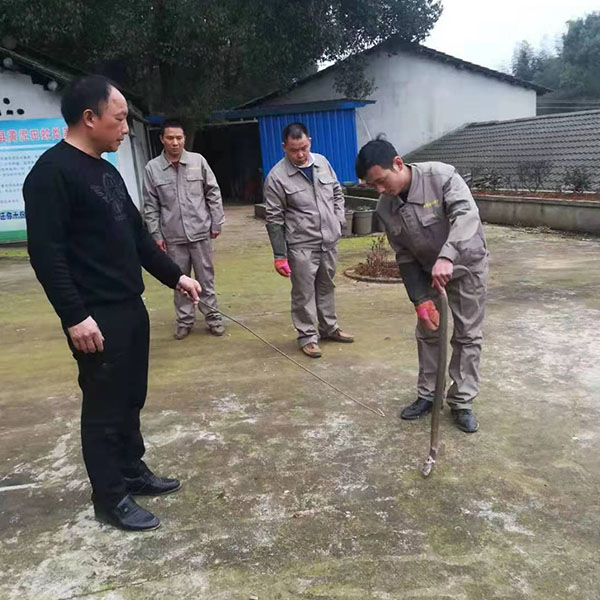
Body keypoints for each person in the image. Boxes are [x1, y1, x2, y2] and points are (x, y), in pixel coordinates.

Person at [23, 75, 202, 531]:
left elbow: (137, 238)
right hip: (94, 317)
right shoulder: (50, 174)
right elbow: (47, 255)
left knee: (130, 398)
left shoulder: (106, 169)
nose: (126, 128)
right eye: (120, 119)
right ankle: (110, 497)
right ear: (90, 118)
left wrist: (176, 276)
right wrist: (74, 316)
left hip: (129, 307)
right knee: (103, 409)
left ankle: (131, 470)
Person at [355, 138, 488, 433]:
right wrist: (419, 298)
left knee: (467, 334)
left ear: (398, 164)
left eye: (381, 180)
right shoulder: (386, 206)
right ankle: (429, 395)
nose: (379, 189)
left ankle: (462, 401)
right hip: (427, 271)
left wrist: (447, 255)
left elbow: (466, 217)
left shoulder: (441, 177)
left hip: (465, 264)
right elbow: (403, 255)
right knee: (428, 330)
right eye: (372, 185)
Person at [264, 122, 354, 358]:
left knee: (327, 286)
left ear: (310, 142)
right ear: (284, 147)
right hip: (301, 244)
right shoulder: (277, 177)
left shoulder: (322, 162)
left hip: (329, 239)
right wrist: (279, 255)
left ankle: (329, 328)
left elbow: (337, 192)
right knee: (304, 293)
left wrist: (338, 220)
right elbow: (274, 219)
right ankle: (307, 336)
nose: (300, 154)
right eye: (294, 150)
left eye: (304, 147)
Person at [143, 119, 225, 340]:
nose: (175, 142)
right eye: (170, 138)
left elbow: (213, 193)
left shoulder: (198, 161)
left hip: (200, 232)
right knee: (178, 280)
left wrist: (216, 221)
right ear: (162, 139)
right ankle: (184, 321)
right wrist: (156, 234)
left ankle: (213, 317)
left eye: (179, 138)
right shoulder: (153, 168)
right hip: (173, 237)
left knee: (206, 278)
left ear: (184, 139)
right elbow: (150, 205)